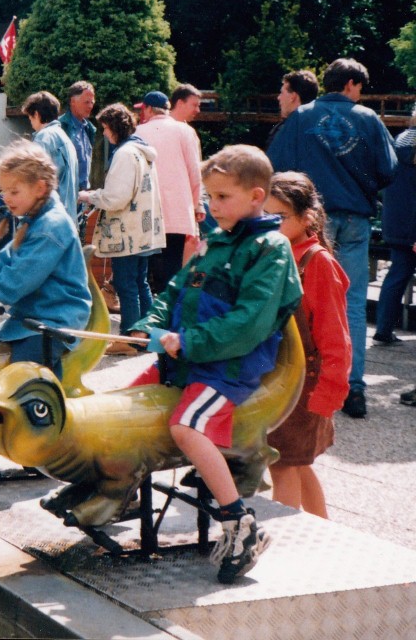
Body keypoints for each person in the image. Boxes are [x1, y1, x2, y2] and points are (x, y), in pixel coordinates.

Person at [130, 145, 302, 584]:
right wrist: (148, 325)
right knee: (124, 407)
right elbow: (174, 291)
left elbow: (249, 323)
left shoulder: (271, 248)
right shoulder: (215, 240)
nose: (212, 205)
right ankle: (118, 490)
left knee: (187, 426)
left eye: (223, 197)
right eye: (209, 196)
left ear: (256, 196)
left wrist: (190, 342)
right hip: (186, 360)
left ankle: (239, 523)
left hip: (227, 369)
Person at [268, 58, 398, 418]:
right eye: (360, 88)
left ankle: (296, 381)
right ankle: (352, 388)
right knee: (352, 303)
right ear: (352, 83)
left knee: (299, 299)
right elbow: (389, 169)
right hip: (355, 217)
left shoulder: (301, 117)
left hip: (309, 219)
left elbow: (276, 167)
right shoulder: (368, 118)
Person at [0, 140, 91, 378]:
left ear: (39, 188)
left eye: (14, 192)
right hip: (32, 315)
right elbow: (8, 258)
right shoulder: (34, 218)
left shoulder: (51, 226)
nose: (6, 198)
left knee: (21, 375)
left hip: (54, 318)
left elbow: (21, 276)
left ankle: (42, 395)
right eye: (3, 191)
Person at [263, 171, 350, 517]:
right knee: (296, 463)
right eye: (264, 215)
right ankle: (323, 528)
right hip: (277, 380)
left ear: (306, 217)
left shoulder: (317, 262)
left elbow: (336, 337)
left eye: (280, 216)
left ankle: (283, 540)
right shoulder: (273, 255)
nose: (270, 224)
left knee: (283, 465)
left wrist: (329, 393)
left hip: (304, 388)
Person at [78, 104, 164, 355]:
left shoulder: (125, 154)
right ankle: (146, 338)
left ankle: (128, 339)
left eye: (106, 128)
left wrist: (89, 196)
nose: (104, 134)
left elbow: (116, 197)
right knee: (140, 283)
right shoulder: (141, 151)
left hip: (127, 232)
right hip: (143, 231)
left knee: (127, 285)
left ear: (115, 128)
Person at [135, 91, 206, 291]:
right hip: (178, 213)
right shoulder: (185, 131)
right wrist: (196, 205)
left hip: (146, 213)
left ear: (149, 109)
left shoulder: (137, 132)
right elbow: (195, 173)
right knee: (171, 269)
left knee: (145, 274)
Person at [374, 112, 416, 374]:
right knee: (398, 274)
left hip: (394, 222)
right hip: (412, 225)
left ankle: (383, 328)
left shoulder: (396, 143)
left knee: (397, 275)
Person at [22, 91, 79, 227]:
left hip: (49, 222)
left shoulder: (44, 137)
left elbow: (33, 178)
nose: (31, 122)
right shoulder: (65, 138)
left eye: (30, 117)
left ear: (36, 114)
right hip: (67, 220)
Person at [265, 70, 319, 149]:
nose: (278, 97)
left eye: (282, 93)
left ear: (292, 97)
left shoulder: (286, 132)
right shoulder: (323, 129)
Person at [58, 81, 97, 191]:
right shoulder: (60, 127)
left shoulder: (89, 129)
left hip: (82, 193)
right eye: (86, 102)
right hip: (66, 193)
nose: (90, 106)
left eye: (92, 102)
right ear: (72, 102)